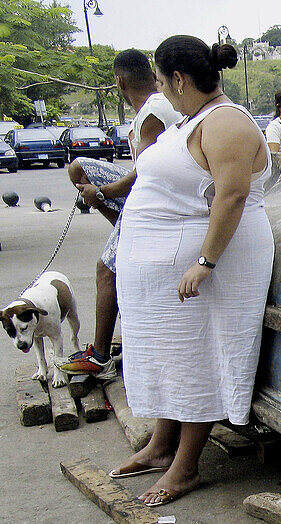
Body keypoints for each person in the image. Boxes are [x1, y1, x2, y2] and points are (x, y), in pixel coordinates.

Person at [110, 35, 273, 507]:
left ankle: (185, 468)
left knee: (197, 357)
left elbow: (232, 195)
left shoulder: (227, 123)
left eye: (161, 80)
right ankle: (161, 446)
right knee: (169, 353)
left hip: (213, 262)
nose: (159, 88)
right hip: (171, 267)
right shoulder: (194, 119)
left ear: (178, 79)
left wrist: (204, 262)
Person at [59, 49, 181, 379]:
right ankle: (123, 233)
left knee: (105, 269)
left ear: (119, 82)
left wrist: (102, 194)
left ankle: (99, 356)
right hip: (152, 195)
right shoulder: (154, 108)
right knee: (79, 167)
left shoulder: (153, 114)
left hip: (158, 201)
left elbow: (146, 172)